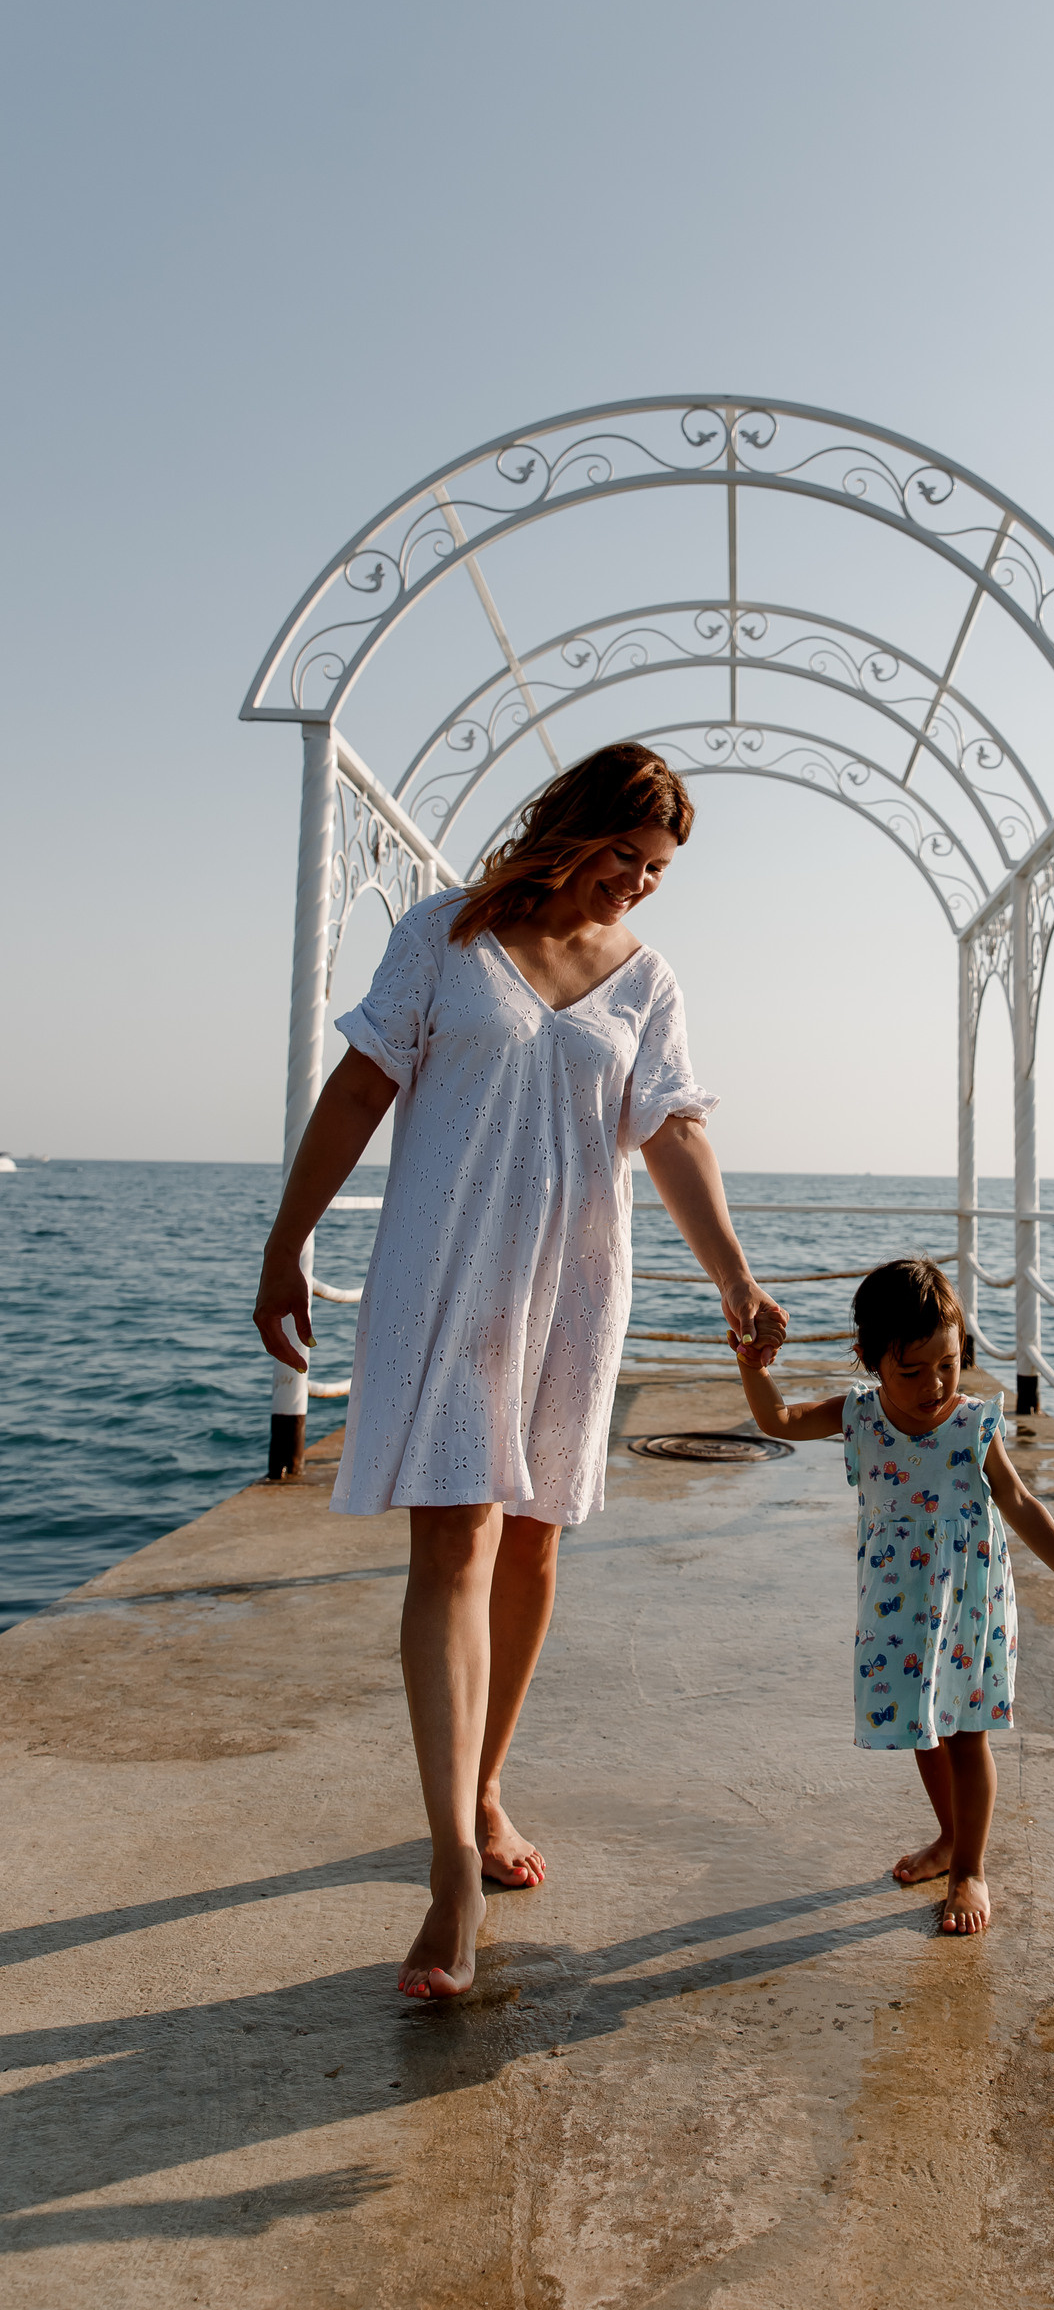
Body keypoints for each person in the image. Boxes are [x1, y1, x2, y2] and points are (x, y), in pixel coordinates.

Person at [252, 743, 786, 1999]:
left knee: (535, 1543)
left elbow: (674, 1135)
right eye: (626, 859)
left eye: (657, 873)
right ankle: (450, 1871)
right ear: (574, 829)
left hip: (573, 1294)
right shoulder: (442, 936)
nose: (639, 888)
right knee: (453, 1542)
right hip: (445, 1280)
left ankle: (485, 1786)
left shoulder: (646, 979)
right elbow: (357, 1089)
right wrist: (287, 1242)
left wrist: (736, 1275)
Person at [728, 1257, 1054, 1935]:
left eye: (946, 1364)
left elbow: (1017, 1497)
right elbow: (777, 1418)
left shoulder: (971, 1422)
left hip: (970, 1604)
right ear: (868, 1361)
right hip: (900, 1608)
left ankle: (971, 1868)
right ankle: (948, 1838)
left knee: (967, 1734)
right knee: (923, 1727)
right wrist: (752, 1357)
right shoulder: (857, 1417)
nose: (933, 1386)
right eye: (910, 1372)